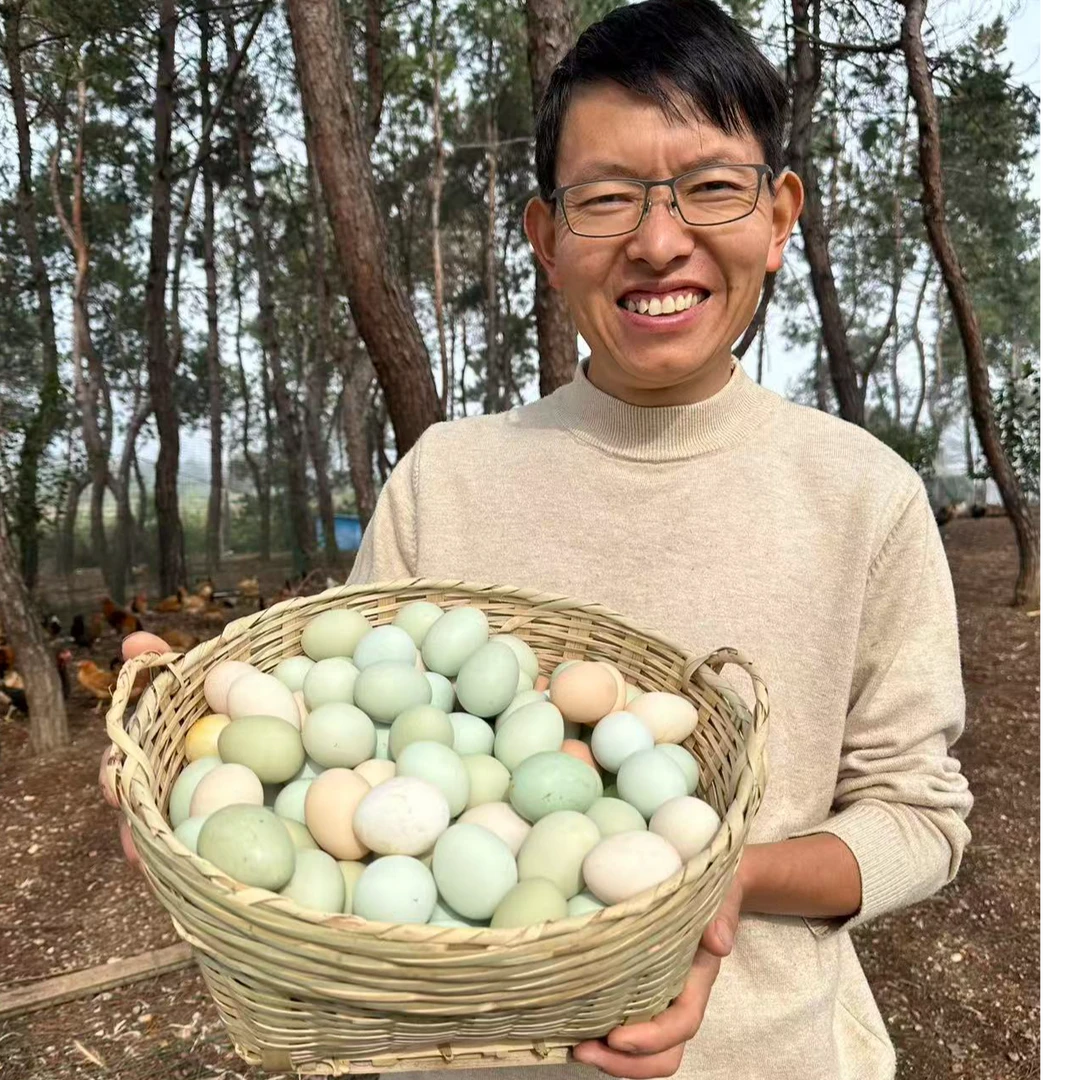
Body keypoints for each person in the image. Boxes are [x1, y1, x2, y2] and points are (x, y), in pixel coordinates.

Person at [103, 1, 972, 1077]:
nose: (659, 241)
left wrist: (719, 876)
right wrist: (209, 773)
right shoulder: (448, 477)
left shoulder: (864, 496)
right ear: (547, 237)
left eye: (711, 186)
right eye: (606, 199)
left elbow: (921, 822)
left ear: (780, 216)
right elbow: (353, 753)